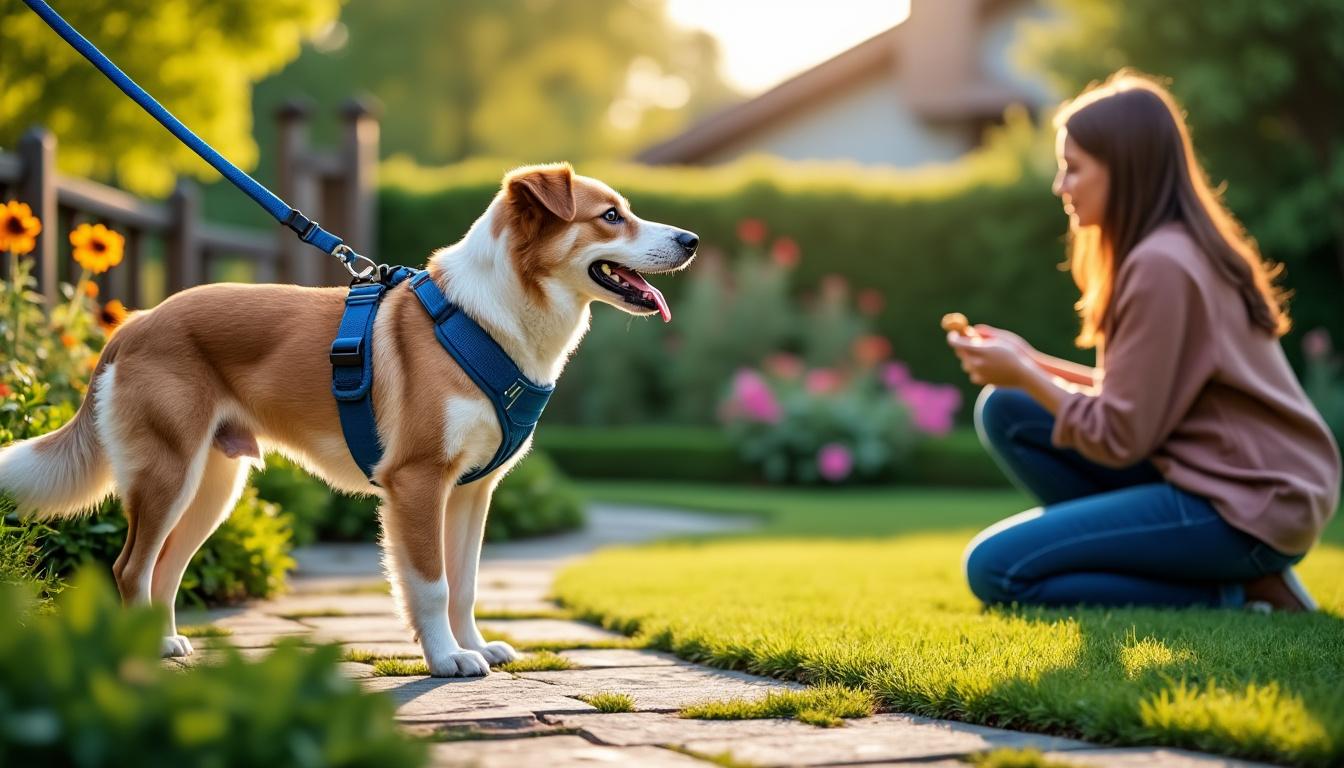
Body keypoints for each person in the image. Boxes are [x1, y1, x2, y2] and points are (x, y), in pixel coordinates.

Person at [947, 71, 1340, 612]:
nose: (1060, 186)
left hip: (1245, 505)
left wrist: (1026, 372)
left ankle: (1230, 591)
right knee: (1007, 407)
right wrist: (1027, 363)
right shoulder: (1170, 249)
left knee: (996, 569)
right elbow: (1133, 397)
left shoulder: (1161, 265)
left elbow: (1119, 434)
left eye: (1074, 168)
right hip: (1224, 481)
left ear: (1125, 170)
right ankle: (1213, 575)